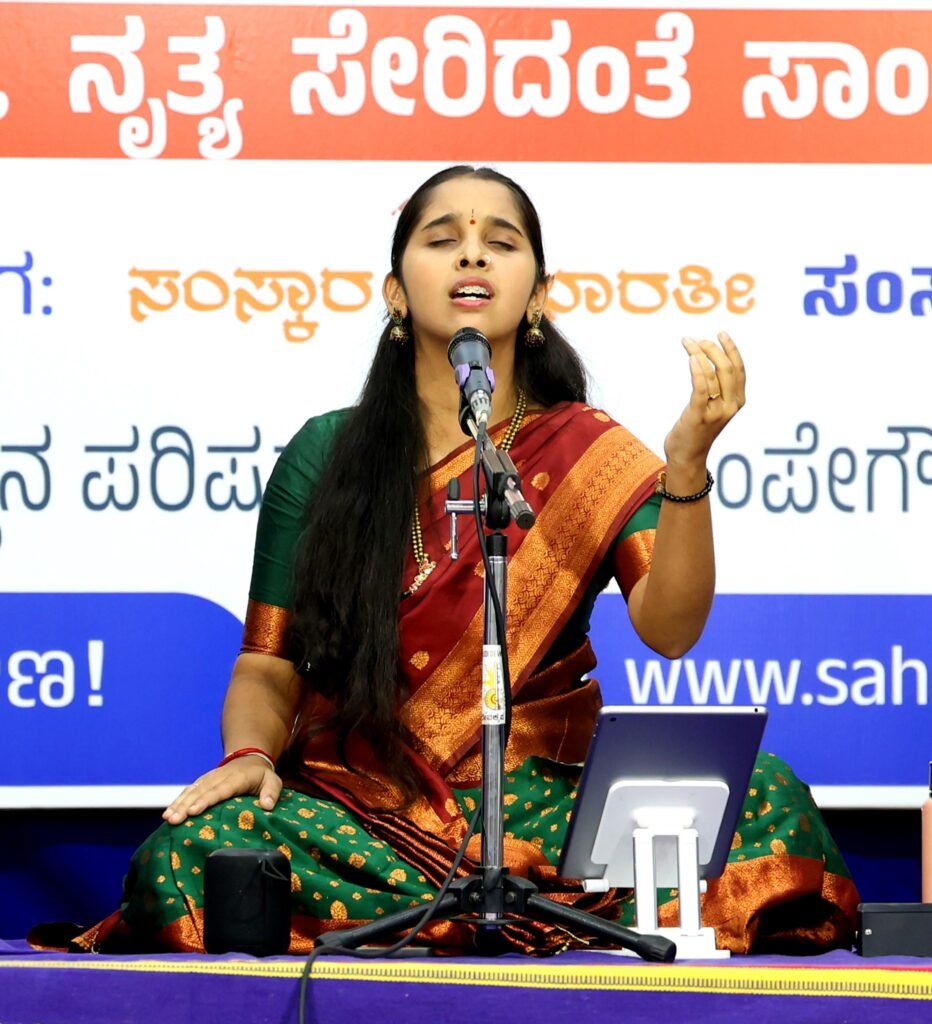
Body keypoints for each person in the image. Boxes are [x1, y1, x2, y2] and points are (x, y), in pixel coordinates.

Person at [71, 165, 858, 955]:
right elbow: (267, 662)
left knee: (763, 795)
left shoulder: (589, 452)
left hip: (544, 807)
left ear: (539, 296)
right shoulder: (325, 453)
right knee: (195, 851)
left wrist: (686, 468)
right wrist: (249, 755)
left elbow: (672, 628)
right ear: (395, 292)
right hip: (363, 810)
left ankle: (471, 915)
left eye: (500, 243)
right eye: (443, 239)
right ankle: (545, 920)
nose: (472, 256)